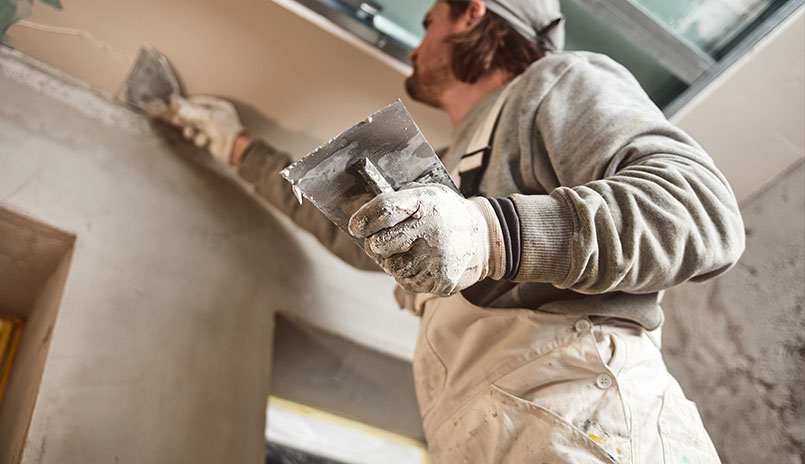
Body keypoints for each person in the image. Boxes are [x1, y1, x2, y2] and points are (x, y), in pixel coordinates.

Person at [166, 1, 744, 462]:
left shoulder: (558, 79)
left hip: (580, 408)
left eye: (428, 22)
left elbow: (700, 210)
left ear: (473, 11)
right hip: (474, 431)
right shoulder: (444, 164)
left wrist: (491, 235)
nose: (416, 46)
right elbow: (344, 230)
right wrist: (234, 145)